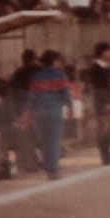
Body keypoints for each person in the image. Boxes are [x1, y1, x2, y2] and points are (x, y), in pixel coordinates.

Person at [29, 50, 72, 180]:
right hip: (54, 110)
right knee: (54, 140)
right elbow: (65, 93)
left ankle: (48, 167)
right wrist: (70, 106)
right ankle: (53, 170)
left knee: (44, 141)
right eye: (58, 60)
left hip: (39, 112)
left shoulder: (36, 76)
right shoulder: (60, 75)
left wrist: (29, 110)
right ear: (54, 61)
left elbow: (31, 96)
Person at [88, 42, 110, 166]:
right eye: (108, 51)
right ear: (102, 52)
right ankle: (105, 155)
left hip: (106, 98)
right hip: (101, 99)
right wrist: (106, 102)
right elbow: (98, 87)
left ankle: (108, 154)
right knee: (104, 127)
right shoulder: (95, 67)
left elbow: (108, 85)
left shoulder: (104, 66)